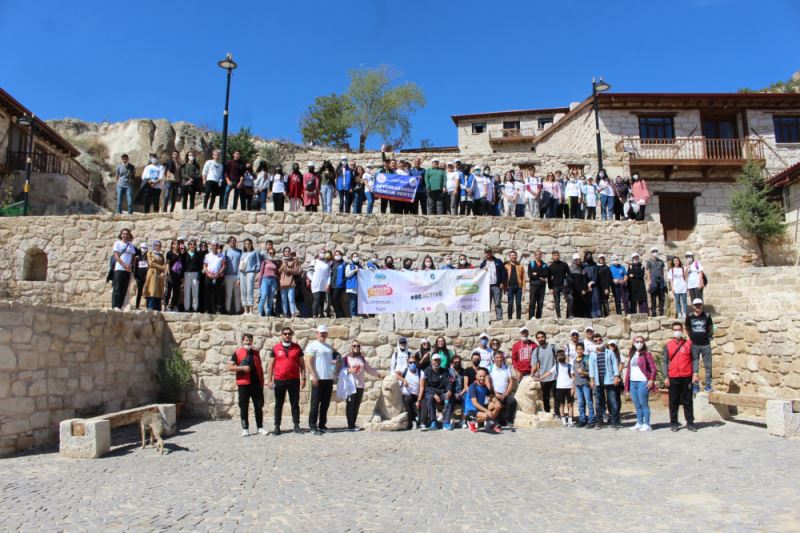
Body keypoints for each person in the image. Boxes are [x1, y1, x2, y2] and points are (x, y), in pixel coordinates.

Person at [267, 327, 306, 435]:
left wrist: (303, 378)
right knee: (279, 404)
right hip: (279, 380)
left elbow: (302, 365)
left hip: (294, 380)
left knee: (295, 403)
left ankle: (296, 425)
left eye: (289, 334)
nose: (287, 335)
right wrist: (269, 380)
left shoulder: (297, 348)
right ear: (282, 335)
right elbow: (271, 365)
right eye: (285, 334)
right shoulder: (276, 348)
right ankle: (277, 426)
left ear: (292, 335)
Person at [340, 341, 384, 431]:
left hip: (360, 385)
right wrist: (349, 370)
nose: (356, 347)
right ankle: (350, 425)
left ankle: (353, 423)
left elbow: (368, 369)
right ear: (351, 347)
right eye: (354, 345)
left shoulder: (361, 359)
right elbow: (340, 370)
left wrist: (378, 374)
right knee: (350, 404)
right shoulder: (346, 358)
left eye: (358, 345)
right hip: (351, 384)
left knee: (356, 405)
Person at [228, 334, 266, 436]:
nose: (248, 342)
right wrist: (241, 368)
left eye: (250, 340)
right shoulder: (237, 352)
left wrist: (262, 382)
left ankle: (260, 427)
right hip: (244, 384)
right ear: (242, 341)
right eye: (246, 340)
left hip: (256, 384)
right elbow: (230, 367)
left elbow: (260, 369)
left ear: (252, 341)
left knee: (258, 407)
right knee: (244, 407)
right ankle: (245, 428)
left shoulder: (256, 353)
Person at [664, 321, 698, 432]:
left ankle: (690, 423)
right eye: (675, 330)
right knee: (673, 402)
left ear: (682, 330)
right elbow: (665, 362)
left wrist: (695, 373)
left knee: (688, 401)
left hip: (686, 376)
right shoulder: (668, 345)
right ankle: (674, 423)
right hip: (673, 376)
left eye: (679, 329)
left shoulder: (689, 344)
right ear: (672, 331)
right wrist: (665, 376)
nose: (677, 332)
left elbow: (694, 359)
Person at [305, 325, 337, 435]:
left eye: (324, 333)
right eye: (320, 333)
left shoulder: (329, 347)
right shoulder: (312, 346)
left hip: (328, 378)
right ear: (317, 334)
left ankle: (322, 424)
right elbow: (308, 362)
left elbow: (333, 359)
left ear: (327, 334)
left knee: (325, 403)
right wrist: (314, 376)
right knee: (315, 404)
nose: (322, 334)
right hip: (317, 378)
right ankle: (312, 426)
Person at [625, 335, 657, 432]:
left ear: (643, 343)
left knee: (644, 404)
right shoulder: (632, 353)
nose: (639, 343)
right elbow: (629, 369)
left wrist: (651, 380)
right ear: (634, 343)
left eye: (641, 341)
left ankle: (647, 424)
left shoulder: (647, 354)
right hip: (633, 382)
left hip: (643, 382)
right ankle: (639, 422)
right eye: (637, 341)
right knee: (637, 404)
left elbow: (653, 368)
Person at [589, 339, 621, 429]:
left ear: (602, 341)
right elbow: (591, 368)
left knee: (613, 402)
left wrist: (616, 376)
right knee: (598, 402)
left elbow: (615, 364)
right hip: (598, 381)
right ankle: (599, 422)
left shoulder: (609, 352)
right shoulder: (592, 354)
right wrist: (591, 380)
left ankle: (614, 422)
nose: (598, 342)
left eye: (599, 340)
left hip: (609, 380)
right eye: (596, 341)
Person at [686, 298, 714, 393]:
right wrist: (691, 336)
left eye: (699, 305)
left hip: (706, 344)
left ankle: (708, 385)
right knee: (695, 366)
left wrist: (708, 335)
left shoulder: (706, 315)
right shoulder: (689, 316)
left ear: (702, 305)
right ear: (693, 306)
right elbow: (687, 327)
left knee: (708, 365)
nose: (698, 307)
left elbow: (711, 327)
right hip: (694, 345)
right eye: (696, 305)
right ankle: (695, 386)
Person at [418, 352, 452, 430]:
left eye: (439, 360)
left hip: (442, 392)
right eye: (435, 360)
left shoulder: (445, 371)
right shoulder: (427, 371)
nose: (437, 362)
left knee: (449, 398)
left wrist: (449, 391)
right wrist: (434, 394)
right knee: (429, 398)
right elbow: (426, 386)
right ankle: (433, 421)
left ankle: (446, 422)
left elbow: (448, 382)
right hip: (431, 393)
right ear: (432, 361)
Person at [464, 368, 502, 433]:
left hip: (479, 409)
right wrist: (487, 411)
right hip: (471, 410)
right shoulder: (472, 387)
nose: (482, 378)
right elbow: (475, 403)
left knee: (498, 406)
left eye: (484, 376)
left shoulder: (484, 387)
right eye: (480, 376)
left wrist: (497, 401)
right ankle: (471, 422)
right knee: (487, 415)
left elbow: (491, 397)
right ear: (476, 376)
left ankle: (489, 424)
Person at [488, 351, 517, 427]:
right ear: (494, 359)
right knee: (496, 405)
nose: (499, 359)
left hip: (505, 393)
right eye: (497, 357)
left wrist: (506, 393)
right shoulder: (490, 368)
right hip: (494, 393)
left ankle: (508, 420)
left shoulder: (507, 368)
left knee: (512, 402)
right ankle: (496, 421)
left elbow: (510, 381)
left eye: (501, 357)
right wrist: (495, 394)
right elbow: (489, 383)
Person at [532, 331, 557, 413]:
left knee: (557, 396)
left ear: (545, 337)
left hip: (554, 376)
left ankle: (558, 413)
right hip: (543, 378)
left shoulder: (553, 347)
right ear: (536, 339)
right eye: (538, 338)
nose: (540, 339)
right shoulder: (536, 350)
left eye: (542, 337)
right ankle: (547, 413)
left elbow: (560, 360)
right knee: (545, 397)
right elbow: (534, 365)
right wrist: (532, 375)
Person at [111, 229, 136, 309]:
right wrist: (124, 265)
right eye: (123, 234)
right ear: (121, 235)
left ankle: (120, 306)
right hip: (119, 268)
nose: (125, 235)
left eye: (127, 234)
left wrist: (131, 265)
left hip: (127, 270)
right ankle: (115, 306)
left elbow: (133, 256)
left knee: (124, 289)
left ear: (129, 235)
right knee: (117, 288)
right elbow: (116, 256)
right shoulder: (117, 243)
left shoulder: (131, 245)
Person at [572, 342, 595, 428]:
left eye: (581, 349)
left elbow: (591, 372)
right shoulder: (574, 360)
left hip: (585, 383)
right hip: (578, 384)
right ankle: (582, 420)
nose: (579, 351)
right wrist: (573, 384)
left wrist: (583, 372)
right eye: (578, 349)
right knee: (580, 403)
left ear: (583, 350)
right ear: (576, 350)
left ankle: (591, 420)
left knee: (589, 402)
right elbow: (574, 374)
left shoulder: (586, 359)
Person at [479, 248, 506, 321]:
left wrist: (502, 282)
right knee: (487, 304)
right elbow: (480, 275)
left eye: (489, 252)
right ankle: (486, 319)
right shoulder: (483, 263)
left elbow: (503, 272)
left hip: (496, 285)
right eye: (486, 253)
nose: (488, 254)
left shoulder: (498, 261)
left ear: (492, 253)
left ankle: (499, 318)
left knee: (497, 303)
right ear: (485, 253)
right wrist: (482, 270)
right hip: (486, 286)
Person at [143, 240, 167, 311]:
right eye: (156, 245)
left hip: (159, 274)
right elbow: (151, 263)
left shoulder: (161, 255)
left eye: (159, 245)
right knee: (152, 289)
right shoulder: (150, 253)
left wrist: (163, 271)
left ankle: (157, 307)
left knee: (159, 290)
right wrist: (161, 267)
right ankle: (150, 306)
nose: (158, 247)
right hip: (152, 273)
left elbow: (164, 264)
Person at [202, 241, 226, 314]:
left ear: (218, 246)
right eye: (213, 245)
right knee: (207, 293)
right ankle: (207, 310)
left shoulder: (221, 255)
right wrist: (208, 274)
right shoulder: (207, 255)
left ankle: (217, 309)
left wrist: (218, 273)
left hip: (218, 277)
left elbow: (224, 265)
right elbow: (205, 266)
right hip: (209, 276)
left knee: (218, 294)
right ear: (211, 246)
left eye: (216, 245)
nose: (214, 247)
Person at [238, 239, 260, 315]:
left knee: (249, 290)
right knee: (243, 291)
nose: (247, 245)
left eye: (248, 243)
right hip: (242, 273)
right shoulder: (243, 254)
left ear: (251, 244)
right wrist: (238, 278)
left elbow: (258, 263)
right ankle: (245, 310)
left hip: (250, 272)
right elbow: (239, 266)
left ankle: (251, 311)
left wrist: (255, 271)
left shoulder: (255, 252)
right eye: (246, 244)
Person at [400, 354, 422, 429]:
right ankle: (412, 421)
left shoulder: (420, 372)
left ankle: (418, 421)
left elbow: (422, 387)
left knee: (419, 405)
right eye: (410, 362)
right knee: (407, 399)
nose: (412, 364)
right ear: (407, 363)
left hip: (417, 395)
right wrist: (403, 380)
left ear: (416, 363)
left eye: (414, 362)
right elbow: (396, 374)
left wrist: (418, 400)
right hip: (407, 395)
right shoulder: (405, 370)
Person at [278, 250, 302, 317]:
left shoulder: (293, 261)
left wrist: (288, 270)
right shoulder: (280, 261)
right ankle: (285, 313)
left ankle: (293, 314)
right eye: (285, 251)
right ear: (283, 253)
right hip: (282, 282)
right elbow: (277, 271)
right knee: (283, 299)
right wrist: (281, 268)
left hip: (291, 282)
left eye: (288, 251)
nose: (287, 252)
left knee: (291, 299)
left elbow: (297, 271)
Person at [554, 350, 574, 426]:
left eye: (562, 355)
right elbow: (549, 373)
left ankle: (570, 419)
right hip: (560, 387)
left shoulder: (569, 366)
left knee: (570, 404)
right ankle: (563, 420)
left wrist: (573, 387)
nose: (561, 357)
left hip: (568, 387)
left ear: (565, 356)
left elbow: (573, 377)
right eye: (559, 356)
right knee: (561, 404)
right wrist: (540, 378)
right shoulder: (556, 366)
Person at [223, 237, 242, 315]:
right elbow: (223, 264)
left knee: (237, 294)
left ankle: (238, 311)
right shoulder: (226, 252)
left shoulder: (240, 252)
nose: (233, 242)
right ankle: (227, 310)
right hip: (228, 276)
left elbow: (241, 265)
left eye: (234, 241)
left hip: (237, 275)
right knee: (228, 294)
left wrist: (239, 277)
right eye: (231, 241)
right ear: (228, 242)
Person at [181, 239, 202, 312]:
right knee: (187, 292)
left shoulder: (198, 255)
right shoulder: (185, 255)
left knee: (195, 292)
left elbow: (200, 266)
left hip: (195, 274)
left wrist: (199, 275)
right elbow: (182, 266)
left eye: (193, 244)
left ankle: (195, 308)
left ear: (195, 246)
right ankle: (186, 308)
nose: (192, 245)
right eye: (191, 244)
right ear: (188, 245)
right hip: (187, 274)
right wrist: (182, 277)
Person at [527, 249, 548, 319]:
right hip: (533, 285)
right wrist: (540, 277)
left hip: (542, 286)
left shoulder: (544, 265)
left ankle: (538, 317)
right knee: (532, 302)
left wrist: (536, 274)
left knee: (540, 303)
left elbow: (546, 274)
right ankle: (531, 317)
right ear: (534, 256)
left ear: (541, 255)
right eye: (537, 254)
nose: (538, 256)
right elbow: (530, 275)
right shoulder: (531, 264)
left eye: (540, 254)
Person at [646, 247, 667, 317]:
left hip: (661, 281)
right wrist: (649, 281)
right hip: (653, 281)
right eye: (653, 252)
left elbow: (662, 271)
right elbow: (648, 272)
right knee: (653, 297)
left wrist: (663, 280)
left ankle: (661, 312)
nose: (655, 253)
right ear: (651, 253)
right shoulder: (649, 261)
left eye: (656, 251)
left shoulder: (661, 261)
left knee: (662, 297)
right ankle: (654, 312)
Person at [504, 250, 525, 320]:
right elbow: (504, 278)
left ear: (516, 256)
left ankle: (518, 318)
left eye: (515, 255)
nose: (513, 256)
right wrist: (505, 287)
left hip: (519, 287)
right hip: (510, 287)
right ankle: (509, 318)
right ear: (509, 257)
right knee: (510, 304)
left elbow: (524, 277)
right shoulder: (506, 266)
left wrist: (524, 287)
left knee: (518, 304)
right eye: (512, 255)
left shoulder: (520, 266)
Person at [310, 251, 332, 318]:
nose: (323, 253)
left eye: (324, 252)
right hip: (316, 284)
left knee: (322, 300)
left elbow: (329, 275)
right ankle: (314, 314)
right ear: (318, 253)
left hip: (324, 285)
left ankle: (321, 314)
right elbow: (309, 272)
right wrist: (313, 279)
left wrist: (328, 284)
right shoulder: (314, 261)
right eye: (321, 252)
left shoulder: (327, 264)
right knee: (317, 298)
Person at [548, 250, 569, 318]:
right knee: (557, 302)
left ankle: (568, 315)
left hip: (563, 285)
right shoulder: (551, 266)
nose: (556, 256)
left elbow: (569, 274)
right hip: (555, 286)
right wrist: (550, 288)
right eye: (555, 255)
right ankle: (559, 316)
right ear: (552, 256)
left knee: (568, 299)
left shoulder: (564, 264)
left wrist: (567, 281)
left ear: (559, 256)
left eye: (557, 255)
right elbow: (549, 278)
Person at [565, 254, 587, 318]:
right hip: (572, 289)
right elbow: (568, 279)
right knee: (572, 301)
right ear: (574, 260)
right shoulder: (570, 268)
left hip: (580, 289)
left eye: (578, 259)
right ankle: (571, 315)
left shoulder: (582, 268)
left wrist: (584, 288)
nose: (577, 261)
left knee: (580, 303)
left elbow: (584, 279)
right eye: (576, 259)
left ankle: (581, 316)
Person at [164, 241, 184, 312]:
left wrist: (182, 277)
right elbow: (167, 263)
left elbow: (182, 265)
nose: (177, 245)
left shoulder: (181, 254)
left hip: (178, 275)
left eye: (178, 244)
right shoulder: (169, 253)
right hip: (171, 274)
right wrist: (168, 272)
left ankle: (174, 305)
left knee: (176, 291)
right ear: (172, 245)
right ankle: (165, 305)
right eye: (175, 244)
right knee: (168, 290)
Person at [133, 242, 149, 309]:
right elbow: (135, 267)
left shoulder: (147, 257)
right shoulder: (138, 257)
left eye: (145, 248)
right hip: (139, 277)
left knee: (147, 291)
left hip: (146, 276)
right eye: (143, 248)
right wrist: (135, 276)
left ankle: (148, 306)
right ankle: (137, 306)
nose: (144, 249)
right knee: (139, 292)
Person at [344, 253, 361, 317]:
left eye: (357, 256)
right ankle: (353, 315)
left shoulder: (360, 266)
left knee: (356, 301)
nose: (355, 257)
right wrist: (354, 271)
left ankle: (356, 314)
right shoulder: (349, 266)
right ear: (351, 258)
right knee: (353, 301)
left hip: (358, 287)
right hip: (351, 286)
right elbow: (347, 275)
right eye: (354, 256)